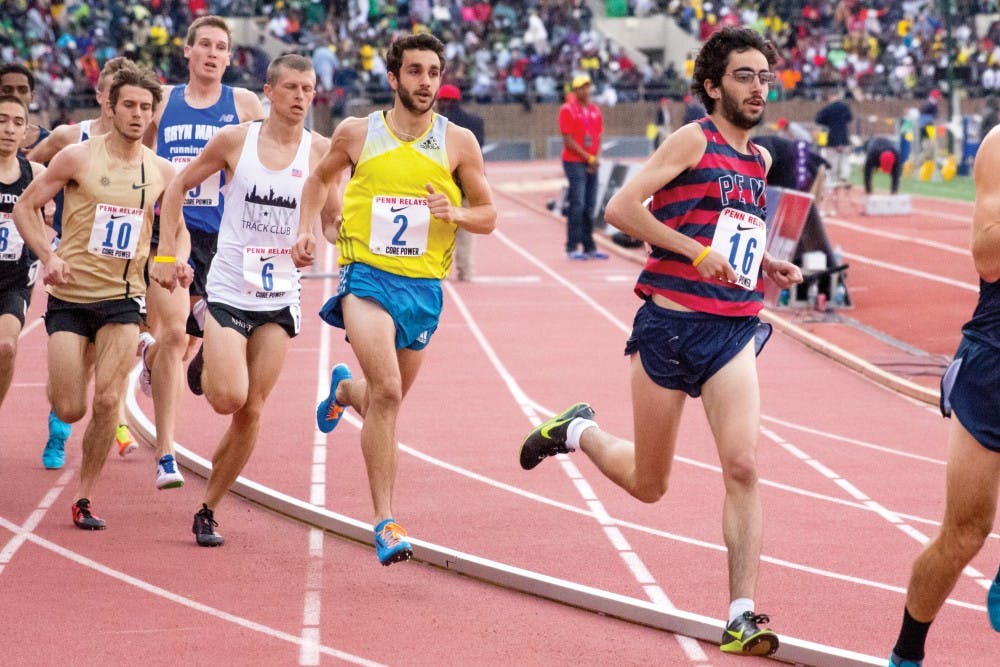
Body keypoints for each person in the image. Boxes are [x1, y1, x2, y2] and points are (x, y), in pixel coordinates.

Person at [519, 26, 802, 656]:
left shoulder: (760, 160)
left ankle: (743, 613)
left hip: (732, 330)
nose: (758, 88)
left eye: (764, 76)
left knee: (745, 465)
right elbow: (620, 209)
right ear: (712, 85)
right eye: (743, 76)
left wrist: (763, 267)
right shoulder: (691, 139)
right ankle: (576, 431)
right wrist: (692, 250)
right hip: (669, 327)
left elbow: (733, 239)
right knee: (650, 484)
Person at [293, 32, 496, 566]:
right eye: (415, 71)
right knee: (387, 390)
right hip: (367, 277)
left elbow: (489, 215)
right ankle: (385, 520)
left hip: (423, 288)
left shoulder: (458, 143)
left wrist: (456, 214)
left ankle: (344, 391)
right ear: (393, 78)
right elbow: (317, 181)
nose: (425, 81)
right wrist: (308, 230)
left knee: (387, 397)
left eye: (433, 71)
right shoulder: (358, 133)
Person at [154, 53, 335, 547]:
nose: (301, 97)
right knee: (226, 398)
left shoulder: (320, 151)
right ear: (269, 91)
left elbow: (334, 219)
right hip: (231, 287)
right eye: (292, 88)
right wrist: (168, 254)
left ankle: (208, 507)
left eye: (308, 89)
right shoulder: (238, 139)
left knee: (251, 410)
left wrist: (315, 237)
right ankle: (212, 358)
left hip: (279, 297)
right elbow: (177, 186)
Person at [12, 65, 174, 530]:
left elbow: (176, 230)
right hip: (71, 295)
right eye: (129, 105)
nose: (138, 114)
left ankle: (84, 496)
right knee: (70, 406)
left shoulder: (162, 171)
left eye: (146, 107)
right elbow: (26, 206)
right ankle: (62, 404)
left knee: (106, 402)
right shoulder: (77, 157)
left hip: (124, 299)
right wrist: (47, 255)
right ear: (109, 105)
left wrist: (171, 261)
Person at [887, 124, 1000, 667]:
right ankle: (907, 654)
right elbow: (987, 258)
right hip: (995, 356)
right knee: (964, 533)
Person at [142, 15, 265, 491]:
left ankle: (188, 359)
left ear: (229, 58)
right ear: (188, 52)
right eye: (205, 45)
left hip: (227, 242)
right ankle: (166, 454)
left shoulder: (244, 104)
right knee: (173, 334)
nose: (213, 53)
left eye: (222, 48)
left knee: (220, 352)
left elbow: (267, 159)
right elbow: (146, 160)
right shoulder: (164, 102)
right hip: (170, 232)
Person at [28, 57, 143, 469]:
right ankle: (60, 426)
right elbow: (31, 169)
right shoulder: (69, 137)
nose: (126, 109)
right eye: (117, 96)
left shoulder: (139, 148)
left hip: (117, 274)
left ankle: (106, 420)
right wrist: (41, 219)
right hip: (72, 263)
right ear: (103, 97)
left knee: (100, 358)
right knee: (73, 377)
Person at [0, 96, 44, 415]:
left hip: (14, 282)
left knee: (6, 347)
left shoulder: (36, 174)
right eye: (2, 120)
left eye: (17, 122)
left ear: (26, 131)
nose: (9, 129)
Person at [434, 83, 484, 281]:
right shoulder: (476, 122)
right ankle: (466, 271)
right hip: (469, 184)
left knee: (437, 229)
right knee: (465, 230)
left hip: (443, 183)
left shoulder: (436, 123)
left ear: (444, 102)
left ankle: (438, 271)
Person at [559, 73, 608, 260]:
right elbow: (568, 140)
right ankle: (572, 246)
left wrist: (595, 159)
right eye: (582, 87)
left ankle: (589, 246)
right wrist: (588, 158)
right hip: (574, 162)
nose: (586, 90)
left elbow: (599, 137)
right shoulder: (568, 110)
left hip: (590, 162)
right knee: (577, 204)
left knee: (590, 205)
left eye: (588, 86)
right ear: (575, 90)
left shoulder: (595, 110)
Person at [0, 63, 50, 154]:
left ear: (32, 96)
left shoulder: (49, 141)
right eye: (7, 90)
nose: (15, 95)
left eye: (22, 90)